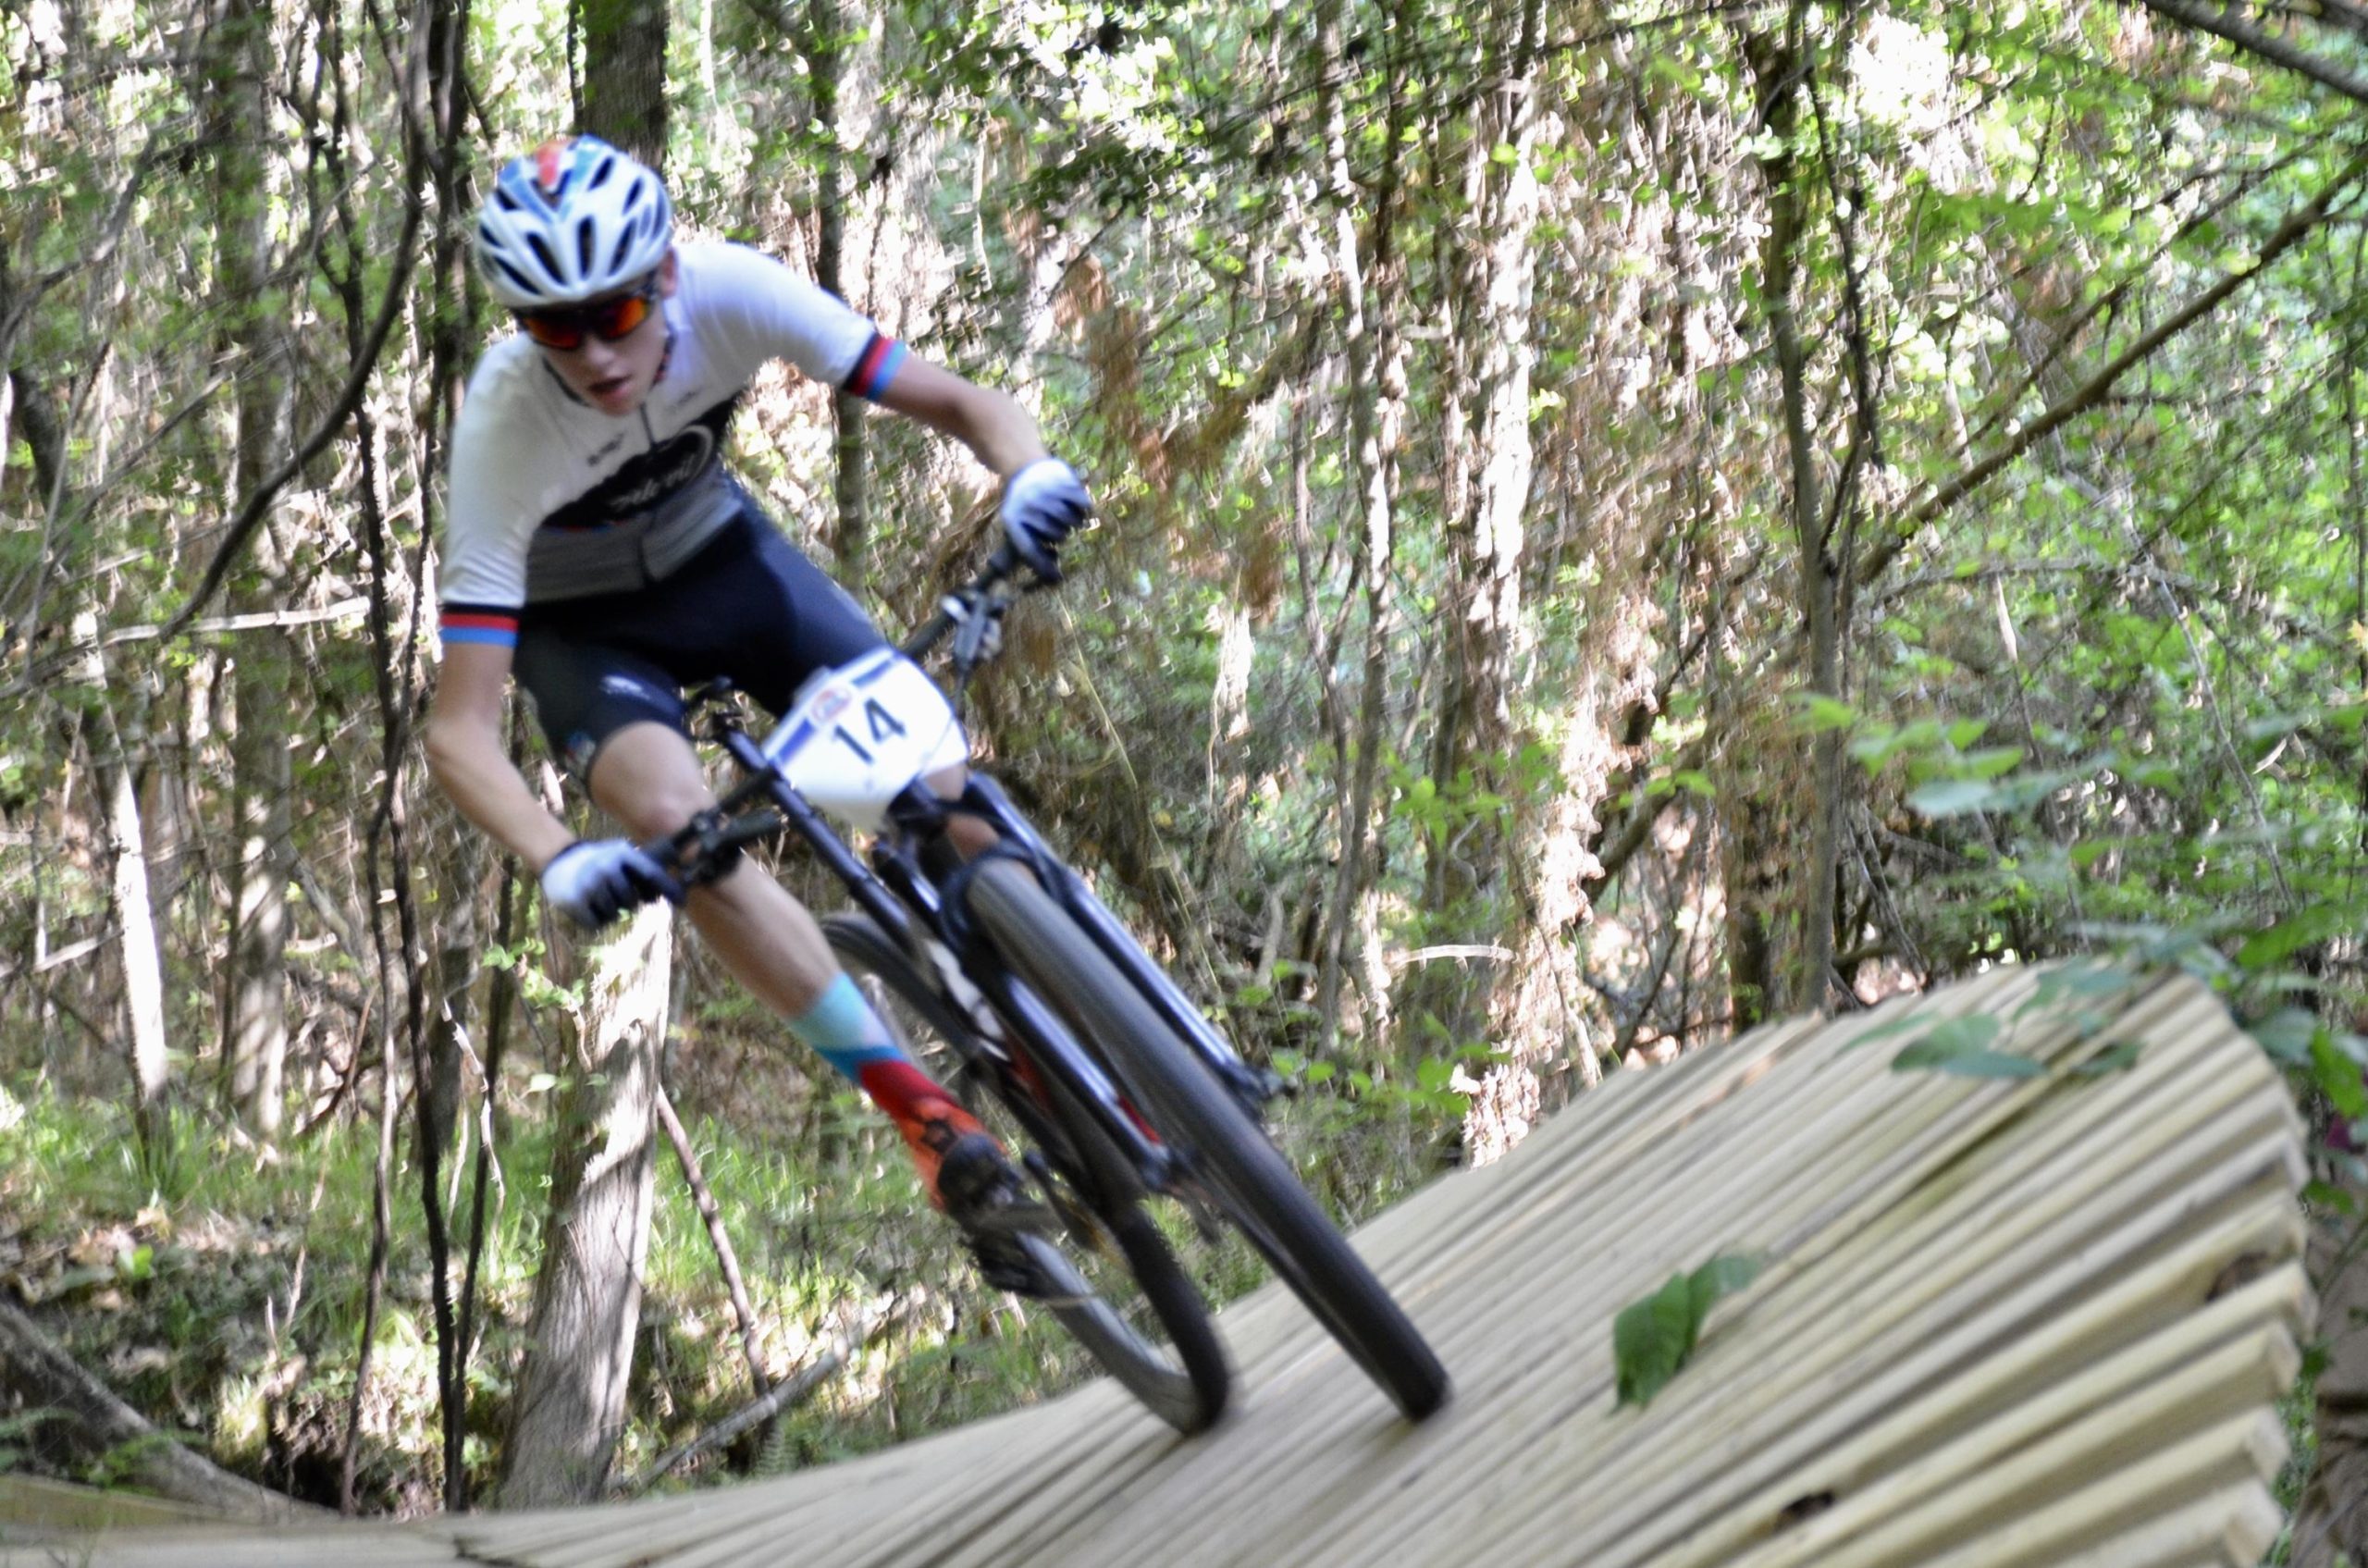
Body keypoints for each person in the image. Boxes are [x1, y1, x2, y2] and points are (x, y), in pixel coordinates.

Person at [423, 133, 1088, 1275]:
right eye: (551, 326)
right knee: (677, 829)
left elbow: (961, 402)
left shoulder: (736, 287)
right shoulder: (503, 423)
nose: (590, 353)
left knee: (944, 800)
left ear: (665, 277)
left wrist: (1026, 471)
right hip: (587, 634)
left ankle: (1056, 1018)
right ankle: (924, 1116)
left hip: (726, 566)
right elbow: (457, 728)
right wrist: (552, 857)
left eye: (616, 313)